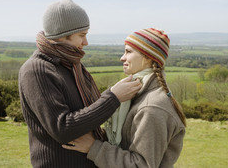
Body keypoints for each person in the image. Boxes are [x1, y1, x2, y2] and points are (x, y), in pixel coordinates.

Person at [18, 0, 142, 168]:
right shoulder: (37, 71)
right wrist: (114, 97)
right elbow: (62, 129)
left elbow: (90, 111)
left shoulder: (71, 64)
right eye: (82, 35)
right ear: (63, 35)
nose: (86, 42)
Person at [63, 28, 187, 168]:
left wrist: (93, 147)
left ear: (148, 57)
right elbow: (126, 141)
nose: (122, 57)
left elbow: (141, 165)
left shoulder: (151, 108)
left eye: (128, 51)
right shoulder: (136, 95)